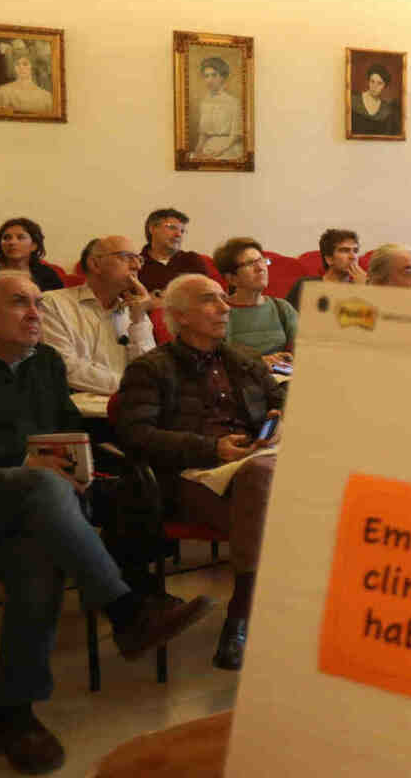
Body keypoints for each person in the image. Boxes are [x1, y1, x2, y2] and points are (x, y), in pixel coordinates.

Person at [0, 271, 212, 775]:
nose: (35, 313)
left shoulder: (46, 362)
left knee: (40, 559)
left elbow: (66, 426)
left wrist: (74, 462)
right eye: (19, 303)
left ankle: (12, 716)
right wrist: (27, 461)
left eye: (38, 303)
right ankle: (125, 608)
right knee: (43, 486)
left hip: (27, 508)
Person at [116, 274, 286, 672]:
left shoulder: (244, 360)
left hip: (254, 464)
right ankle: (242, 616)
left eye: (224, 299)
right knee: (267, 482)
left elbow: (282, 398)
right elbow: (136, 435)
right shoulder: (150, 368)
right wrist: (212, 448)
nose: (225, 308)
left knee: (275, 475)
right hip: (193, 473)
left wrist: (278, 417)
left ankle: (247, 616)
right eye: (211, 300)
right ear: (180, 316)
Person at [38, 235, 155, 394]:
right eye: (127, 257)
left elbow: (148, 371)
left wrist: (139, 320)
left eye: (139, 259)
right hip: (76, 405)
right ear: (95, 264)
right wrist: (130, 387)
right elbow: (66, 368)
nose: (137, 266)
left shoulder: (135, 311)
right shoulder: (53, 303)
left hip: (128, 403)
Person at [214, 238, 297, 368]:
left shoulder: (282, 308)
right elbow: (216, 360)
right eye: (249, 264)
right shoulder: (220, 312)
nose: (260, 268)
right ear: (232, 278)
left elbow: (307, 349)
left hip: (282, 375)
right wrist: (259, 362)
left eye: (261, 260)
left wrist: (291, 357)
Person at [0, 217, 63, 291]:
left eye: (20, 237)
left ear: (34, 245)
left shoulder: (47, 275)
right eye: (6, 238)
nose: (12, 242)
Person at [138, 208, 215, 295]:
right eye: (172, 228)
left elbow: (207, 294)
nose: (178, 234)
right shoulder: (137, 264)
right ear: (152, 228)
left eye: (182, 231)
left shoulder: (192, 260)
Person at [286, 228, 366, 308]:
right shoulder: (305, 285)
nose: (353, 257)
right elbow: (287, 314)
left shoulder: (363, 286)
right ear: (329, 259)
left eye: (355, 251)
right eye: (345, 251)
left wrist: (365, 290)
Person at [194, 56, 244, 160]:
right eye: (206, 76)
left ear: (222, 77)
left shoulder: (233, 102)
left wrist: (219, 150)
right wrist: (197, 151)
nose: (209, 80)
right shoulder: (205, 103)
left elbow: (236, 135)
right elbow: (203, 134)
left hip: (229, 148)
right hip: (208, 148)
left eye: (214, 75)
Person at [0, 40, 53, 115]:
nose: (21, 67)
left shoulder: (46, 96)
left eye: (25, 64)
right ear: (13, 67)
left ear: (32, 66)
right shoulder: (3, 91)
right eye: (17, 64)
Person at [349, 63, 401, 137]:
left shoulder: (386, 109)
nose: (374, 86)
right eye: (372, 81)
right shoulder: (354, 101)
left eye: (379, 83)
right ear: (368, 81)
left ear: (384, 86)